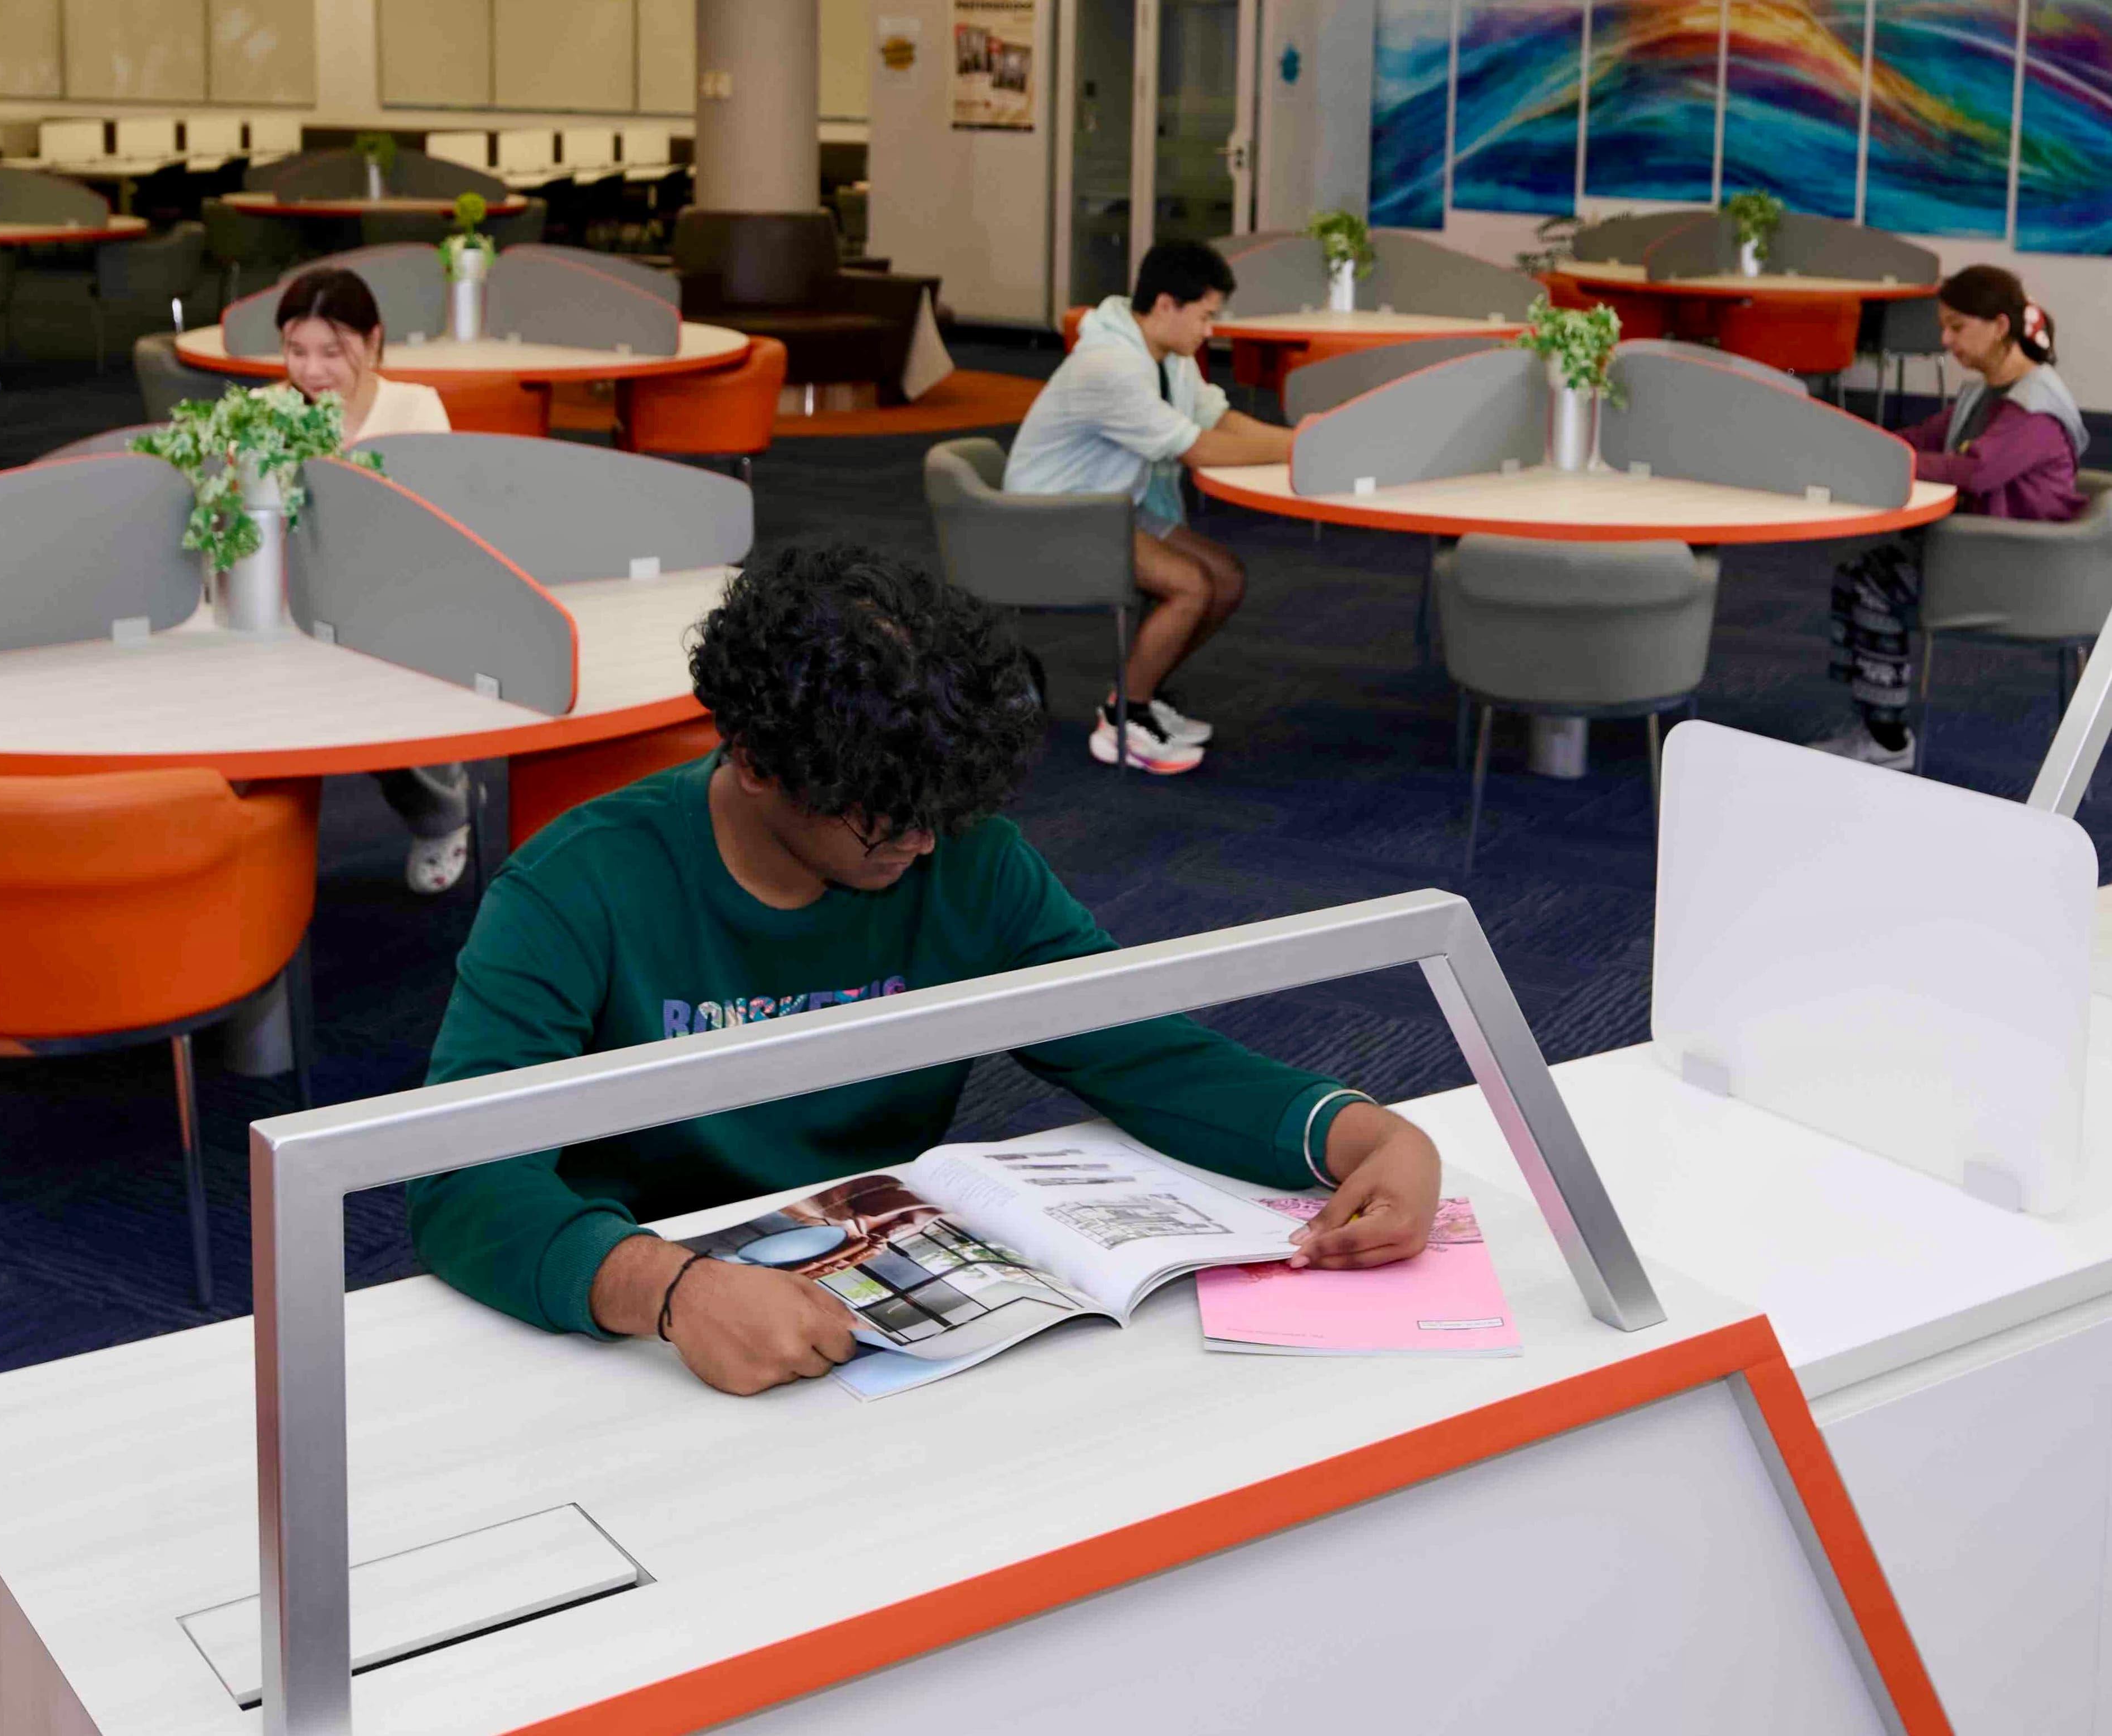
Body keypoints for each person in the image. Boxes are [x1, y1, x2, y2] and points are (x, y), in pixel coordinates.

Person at [406, 542, 1444, 1396]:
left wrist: (1361, 1131)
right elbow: (458, 1174)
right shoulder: (576, 885)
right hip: (638, 1323)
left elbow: (1139, 1045)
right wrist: (667, 1290)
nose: (927, 848)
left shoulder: (961, 849)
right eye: (889, 820)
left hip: (872, 1306)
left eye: (944, 815)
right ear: (757, 763)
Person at [1004, 240, 1297, 775]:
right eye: (1205, 316)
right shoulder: (1110, 365)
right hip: (1047, 517)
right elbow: (1199, 448)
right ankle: (1125, 721)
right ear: (1166, 305)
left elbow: (1218, 419)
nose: (1210, 331)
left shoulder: (1168, 355)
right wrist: (1300, 448)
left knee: (1225, 577)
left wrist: (1295, 438)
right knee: (1191, 586)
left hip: (1105, 504)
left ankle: (1140, 695)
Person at [1819, 265, 2091, 770]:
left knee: (1872, 586)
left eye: (1957, 326)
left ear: (2000, 327)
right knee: (1859, 572)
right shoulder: (1987, 393)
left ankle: (1887, 742)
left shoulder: (2033, 410)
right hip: (1985, 552)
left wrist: (1888, 461)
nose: (1945, 341)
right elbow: (1926, 438)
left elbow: (1976, 472)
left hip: (2022, 573)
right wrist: (1863, 448)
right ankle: (1876, 726)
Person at [274, 266, 473, 893]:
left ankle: (443, 814)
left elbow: (437, 528)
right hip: (295, 600)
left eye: (332, 351)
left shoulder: (415, 407)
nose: (311, 371)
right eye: (295, 351)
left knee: (394, 687)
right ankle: (262, 846)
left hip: (400, 599)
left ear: (373, 340)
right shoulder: (266, 414)